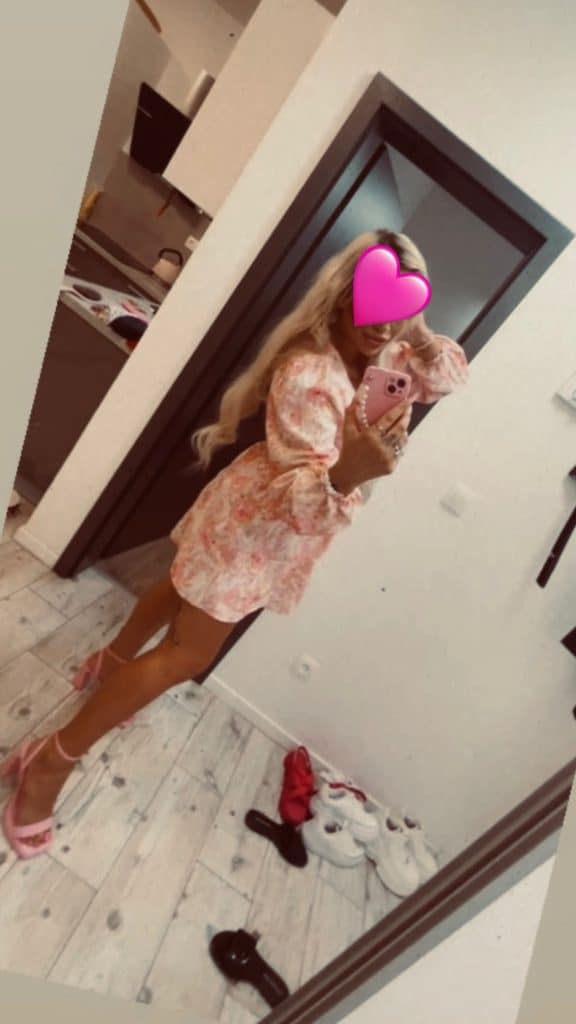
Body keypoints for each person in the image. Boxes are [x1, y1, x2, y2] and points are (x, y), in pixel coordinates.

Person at [1, 230, 468, 858]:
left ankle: (110, 663)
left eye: (398, 310)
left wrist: (413, 327)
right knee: (186, 655)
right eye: (372, 304)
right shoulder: (311, 373)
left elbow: (450, 375)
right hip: (256, 527)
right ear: (341, 294)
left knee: (179, 590)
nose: (382, 326)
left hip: (254, 521)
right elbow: (302, 504)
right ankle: (49, 763)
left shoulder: (394, 358)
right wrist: (350, 475)